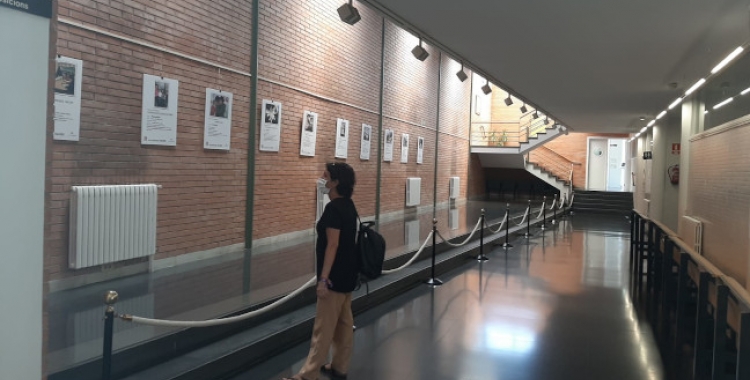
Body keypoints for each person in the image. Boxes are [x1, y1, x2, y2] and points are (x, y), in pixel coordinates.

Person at [283, 162, 358, 380]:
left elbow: (332, 245)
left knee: (323, 329)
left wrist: (323, 279)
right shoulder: (349, 205)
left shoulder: (333, 209)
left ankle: (308, 374)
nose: (321, 179)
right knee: (344, 324)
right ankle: (340, 366)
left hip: (334, 277)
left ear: (335, 183)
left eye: (325, 176)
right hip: (348, 274)